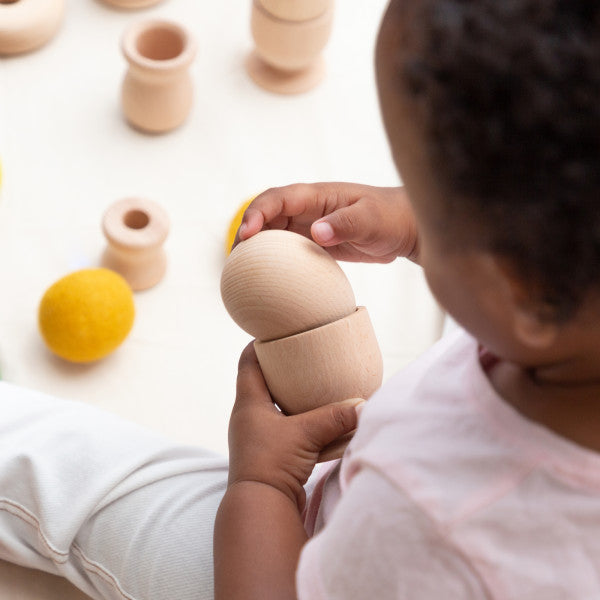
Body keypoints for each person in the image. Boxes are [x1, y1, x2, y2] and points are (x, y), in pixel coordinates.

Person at [2, 0, 600, 598]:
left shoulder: (436, 527)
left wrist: (263, 486)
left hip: (286, 560)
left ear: (521, 289)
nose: (409, 203)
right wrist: (422, 228)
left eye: (424, 196)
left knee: (62, 471)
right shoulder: (569, 321)